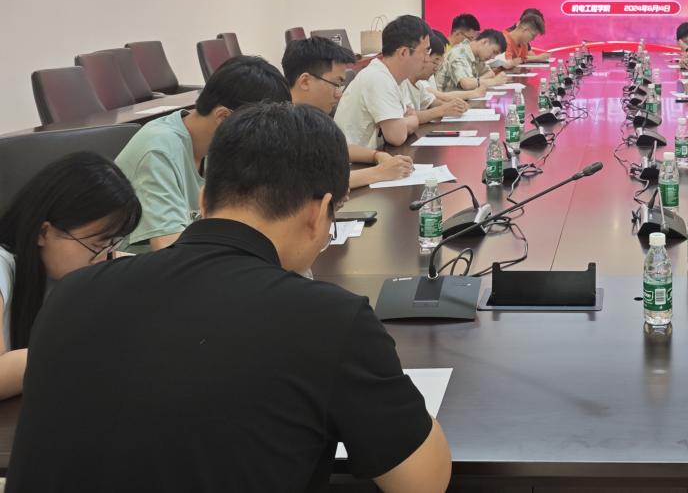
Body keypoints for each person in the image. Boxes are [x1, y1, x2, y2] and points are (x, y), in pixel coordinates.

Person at [6, 102, 452, 492]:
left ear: (203, 200)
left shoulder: (73, 292)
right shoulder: (328, 319)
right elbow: (422, 482)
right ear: (319, 213)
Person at [0, 152, 140, 400]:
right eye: (97, 245)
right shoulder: (3, 264)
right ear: (43, 232)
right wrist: (84, 345)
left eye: (112, 243)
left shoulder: (78, 262)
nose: (103, 257)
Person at [116, 54, 290, 251]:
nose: (264, 141)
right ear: (223, 117)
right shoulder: (157, 151)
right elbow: (168, 248)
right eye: (260, 129)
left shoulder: (220, 145)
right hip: (146, 265)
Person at [284, 37, 416, 190]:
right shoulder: (281, 127)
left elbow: (336, 149)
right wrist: (380, 172)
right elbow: (314, 185)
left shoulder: (310, 118)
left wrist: (377, 155)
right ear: (305, 82)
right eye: (336, 84)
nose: (339, 94)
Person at [334, 15, 431, 150]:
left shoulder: (399, 78)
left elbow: (413, 119)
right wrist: (409, 120)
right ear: (403, 52)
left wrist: (407, 120)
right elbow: (397, 136)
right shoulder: (378, 78)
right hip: (355, 160)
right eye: (426, 51)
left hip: (377, 154)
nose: (427, 59)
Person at [436, 28, 508, 92]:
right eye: (494, 52)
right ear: (484, 42)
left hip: (464, 98)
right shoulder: (459, 54)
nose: (493, 57)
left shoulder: (477, 55)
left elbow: (490, 74)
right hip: (446, 100)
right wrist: (494, 82)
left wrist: (475, 81)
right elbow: (466, 84)